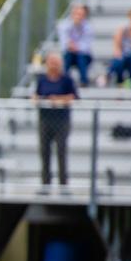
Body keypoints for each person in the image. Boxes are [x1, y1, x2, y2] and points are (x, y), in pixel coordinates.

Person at [32, 51, 78, 187]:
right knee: (44, 151)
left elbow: (73, 97)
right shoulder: (42, 79)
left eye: (56, 63)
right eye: (51, 63)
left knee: (61, 151)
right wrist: (37, 99)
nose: (53, 66)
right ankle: (45, 182)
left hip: (61, 120)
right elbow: (37, 94)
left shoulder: (66, 79)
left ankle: (63, 183)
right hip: (45, 120)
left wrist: (57, 100)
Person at [56, 3, 93, 86]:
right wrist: (73, 26)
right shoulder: (64, 25)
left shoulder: (88, 27)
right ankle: (64, 81)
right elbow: (64, 44)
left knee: (81, 56)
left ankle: (84, 81)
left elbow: (86, 47)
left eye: (81, 14)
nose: (78, 17)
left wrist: (75, 47)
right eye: (76, 14)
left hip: (83, 56)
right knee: (68, 56)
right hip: (69, 54)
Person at [107, 6, 131, 88]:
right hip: (125, 56)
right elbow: (117, 46)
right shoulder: (123, 29)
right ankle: (124, 80)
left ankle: (108, 75)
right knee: (120, 59)